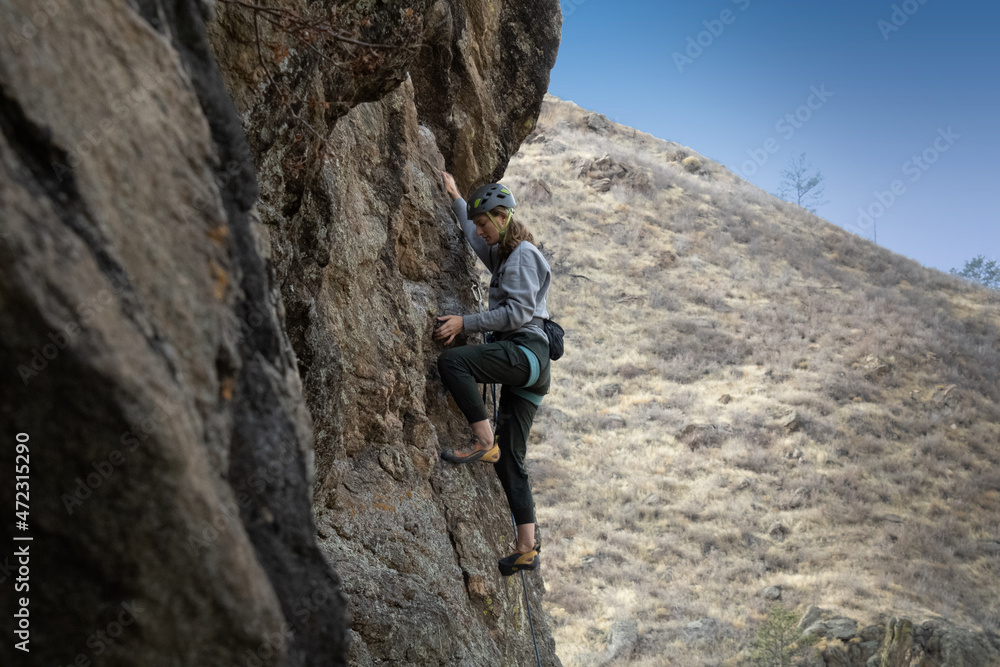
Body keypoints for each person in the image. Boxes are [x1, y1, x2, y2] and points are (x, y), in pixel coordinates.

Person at [434, 171, 552, 577]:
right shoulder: (505, 255)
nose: (481, 231)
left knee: (454, 361)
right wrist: (455, 196)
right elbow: (471, 234)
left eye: (486, 223)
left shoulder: (521, 256)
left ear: (503, 218)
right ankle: (526, 548)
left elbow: (517, 313)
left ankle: (483, 441)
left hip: (524, 351)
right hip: (534, 368)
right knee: (512, 460)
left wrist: (464, 323)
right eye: (480, 224)